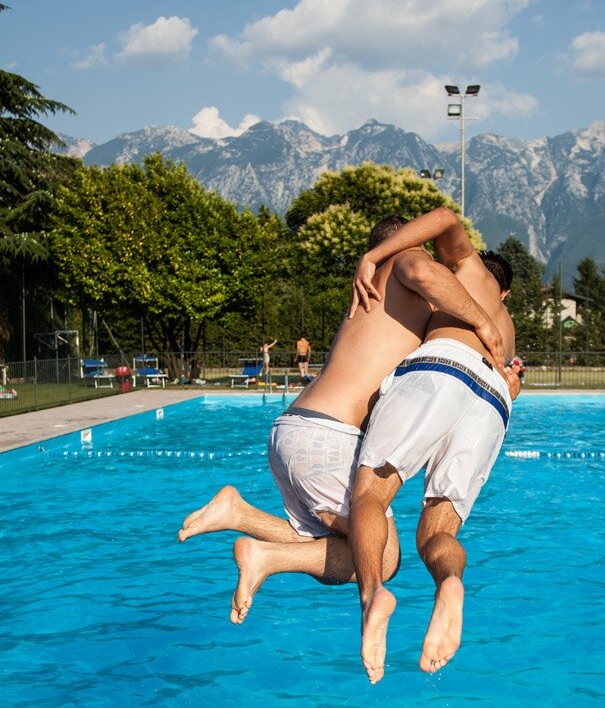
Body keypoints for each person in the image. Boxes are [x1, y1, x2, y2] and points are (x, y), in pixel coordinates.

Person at [179, 208, 506, 631]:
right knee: (383, 558)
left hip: (298, 429)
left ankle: (239, 514)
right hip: (327, 436)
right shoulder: (404, 261)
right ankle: (264, 556)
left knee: (347, 542)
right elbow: (425, 274)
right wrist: (483, 321)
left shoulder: (377, 302)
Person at [348, 213, 518, 683]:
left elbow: (444, 220)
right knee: (436, 532)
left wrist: (373, 256)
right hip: (494, 400)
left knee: (371, 495)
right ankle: (450, 583)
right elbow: (513, 385)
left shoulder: (466, 270)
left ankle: (372, 596)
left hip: (444, 366)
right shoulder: (507, 326)